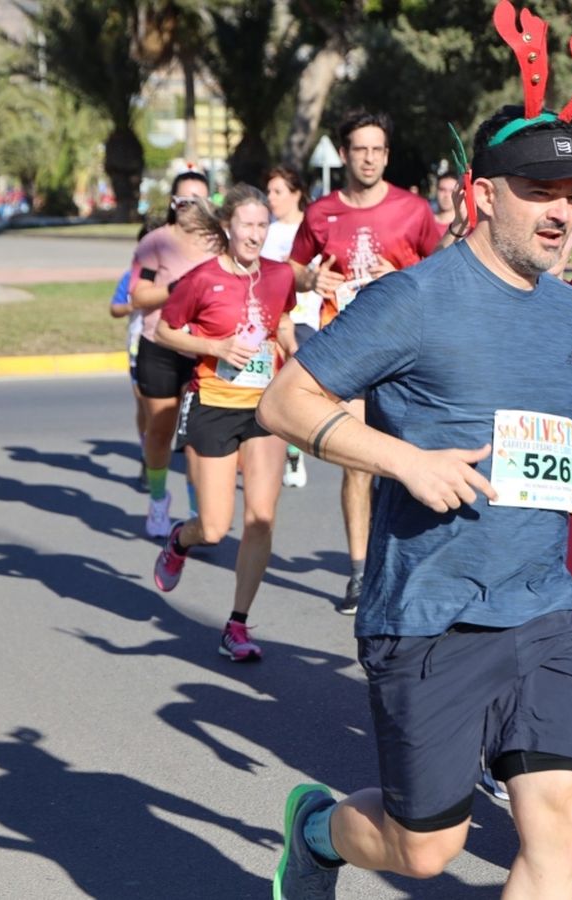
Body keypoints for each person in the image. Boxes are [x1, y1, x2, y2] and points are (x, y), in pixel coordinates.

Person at [257, 93, 572, 900]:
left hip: (541, 608)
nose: (563, 213)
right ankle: (317, 832)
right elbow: (285, 401)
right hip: (430, 611)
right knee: (425, 847)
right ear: (483, 194)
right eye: (540, 192)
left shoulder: (570, 314)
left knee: (561, 823)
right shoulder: (414, 299)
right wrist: (405, 462)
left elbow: (556, 432)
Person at [287, 110, 444, 614]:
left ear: (387, 155)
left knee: (409, 462)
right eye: (360, 149)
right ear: (345, 153)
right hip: (349, 351)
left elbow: (446, 270)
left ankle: (409, 566)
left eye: (378, 149)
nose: (370, 158)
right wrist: (311, 281)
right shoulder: (321, 213)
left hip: (406, 352)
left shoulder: (413, 209)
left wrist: (401, 271)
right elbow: (292, 267)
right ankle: (359, 572)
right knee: (358, 463)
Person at [150, 185, 299, 662]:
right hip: (213, 403)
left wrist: (301, 361)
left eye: (262, 225)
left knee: (261, 517)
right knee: (214, 528)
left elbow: (285, 328)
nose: (254, 234)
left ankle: (236, 625)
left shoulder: (279, 276)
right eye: (246, 225)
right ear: (228, 228)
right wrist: (215, 349)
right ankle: (180, 538)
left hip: (264, 408)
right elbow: (164, 329)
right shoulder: (200, 279)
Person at [129, 170, 216, 536]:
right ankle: (159, 502)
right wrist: (180, 287)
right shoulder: (155, 242)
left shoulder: (220, 243)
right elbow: (138, 295)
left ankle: (197, 510)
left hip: (202, 348)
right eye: (183, 201)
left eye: (198, 201)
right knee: (161, 433)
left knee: (197, 437)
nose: (190, 208)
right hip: (160, 345)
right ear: (172, 203)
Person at [260, 165, 316, 488]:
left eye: (278, 191)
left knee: (295, 390)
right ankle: (269, 452)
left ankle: (294, 449)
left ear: (296, 193)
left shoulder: (311, 230)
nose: (271, 198)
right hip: (270, 322)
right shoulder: (263, 231)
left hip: (306, 320)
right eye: (268, 192)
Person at [106, 266, 147, 489]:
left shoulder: (181, 271)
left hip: (176, 350)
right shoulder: (132, 276)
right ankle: (147, 455)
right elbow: (115, 308)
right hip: (139, 349)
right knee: (144, 406)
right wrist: (133, 305)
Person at [431, 172, 461, 237]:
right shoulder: (425, 223)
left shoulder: (464, 228)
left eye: (452, 191)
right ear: (436, 191)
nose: (446, 195)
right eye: (442, 190)